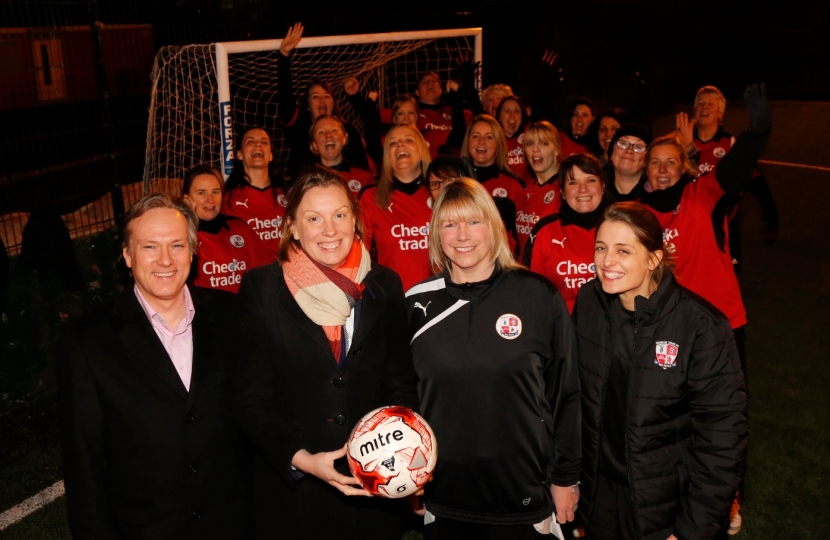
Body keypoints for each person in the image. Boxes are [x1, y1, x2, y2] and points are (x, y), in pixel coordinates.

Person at [231, 166, 419, 539]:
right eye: (313, 218)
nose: (329, 230)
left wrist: (407, 459)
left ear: (355, 221)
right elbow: (250, 401)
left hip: (373, 489)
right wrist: (302, 461)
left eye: (339, 215)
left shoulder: (385, 284)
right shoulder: (262, 290)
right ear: (293, 228)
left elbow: (400, 383)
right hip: (297, 494)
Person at [58, 193, 253, 539]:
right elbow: (84, 465)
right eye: (150, 247)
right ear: (127, 255)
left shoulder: (233, 315)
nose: (165, 260)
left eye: (177, 245)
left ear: (193, 251)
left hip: (232, 522)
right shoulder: (87, 341)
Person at [406, 177, 581, 538]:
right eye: (449, 224)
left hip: (523, 494)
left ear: (494, 225)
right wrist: (411, 473)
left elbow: (566, 393)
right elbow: (406, 398)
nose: (462, 235)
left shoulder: (537, 295)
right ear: (436, 233)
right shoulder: (416, 303)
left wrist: (566, 477)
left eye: (474, 221)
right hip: (446, 496)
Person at [573, 202, 747, 540]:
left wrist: (691, 529)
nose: (607, 261)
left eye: (623, 251)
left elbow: (723, 440)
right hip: (600, 498)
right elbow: (575, 400)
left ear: (653, 259)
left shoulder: (701, 327)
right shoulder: (589, 303)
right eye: (601, 248)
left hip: (666, 506)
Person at [276, 23, 377, 178]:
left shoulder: (349, 131)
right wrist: (283, 56)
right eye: (315, 97)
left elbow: (373, 125)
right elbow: (285, 99)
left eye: (327, 96)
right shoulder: (300, 129)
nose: (322, 100)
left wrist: (355, 97)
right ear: (308, 106)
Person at [524, 154, 610, 312]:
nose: (583, 189)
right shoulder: (545, 231)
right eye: (573, 182)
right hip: (561, 329)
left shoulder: (623, 227)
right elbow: (530, 293)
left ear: (602, 185)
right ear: (562, 191)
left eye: (590, 180)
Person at [359, 124, 434, 290]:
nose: (400, 144)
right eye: (392, 143)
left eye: (408, 140)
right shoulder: (371, 197)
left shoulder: (440, 191)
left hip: (439, 301)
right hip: (393, 301)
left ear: (422, 149)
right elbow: (357, 258)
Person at [182, 165, 269, 293]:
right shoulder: (182, 237)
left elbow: (264, 275)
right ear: (187, 199)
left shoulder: (241, 228)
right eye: (201, 193)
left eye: (215, 192)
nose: (210, 200)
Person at [221, 127, 287, 262]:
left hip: (289, 270)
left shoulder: (289, 192)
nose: (258, 144)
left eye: (264, 142)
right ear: (239, 154)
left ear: (271, 155)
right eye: (250, 142)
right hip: (250, 274)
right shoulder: (226, 197)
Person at [517, 121, 563, 254]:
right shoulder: (526, 189)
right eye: (530, 144)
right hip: (525, 272)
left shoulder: (566, 190)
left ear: (556, 150)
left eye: (544, 143)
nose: (535, 149)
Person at [309, 114, 376, 196]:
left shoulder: (364, 176)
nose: (328, 135)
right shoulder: (306, 180)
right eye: (321, 132)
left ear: (344, 139)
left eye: (334, 130)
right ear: (314, 145)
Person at [603, 123, 653, 202]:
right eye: (623, 144)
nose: (629, 150)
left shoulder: (654, 195)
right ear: (611, 154)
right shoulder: (595, 190)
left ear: (647, 160)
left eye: (638, 147)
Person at [495, 95, 530, 177]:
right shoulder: (492, 140)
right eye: (507, 111)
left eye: (517, 111)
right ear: (499, 117)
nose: (512, 115)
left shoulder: (530, 136)